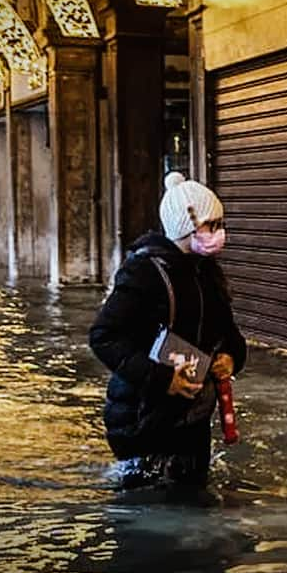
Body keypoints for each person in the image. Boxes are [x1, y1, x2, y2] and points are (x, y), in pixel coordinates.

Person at [89, 172, 247, 488]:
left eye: (220, 224)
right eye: (211, 224)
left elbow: (229, 334)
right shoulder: (144, 272)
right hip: (143, 419)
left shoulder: (208, 274)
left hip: (194, 419)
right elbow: (103, 337)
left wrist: (232, 358)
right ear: (188, 225)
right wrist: (164, 379)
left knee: (194, 504)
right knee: (146, 513)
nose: (219, 232)